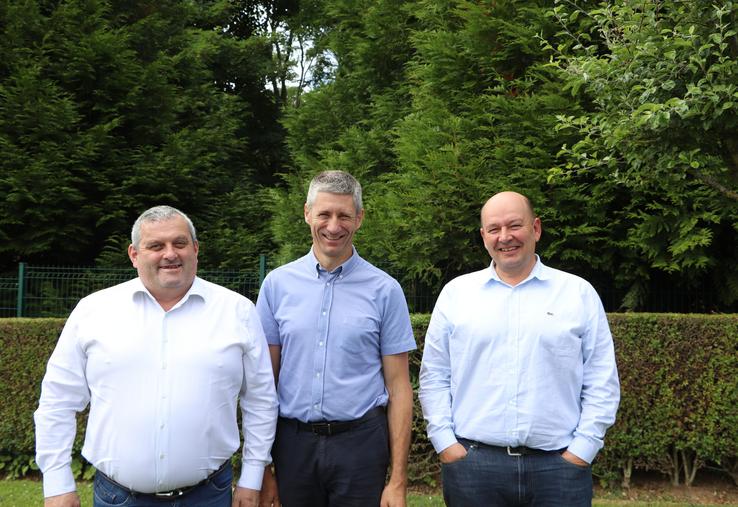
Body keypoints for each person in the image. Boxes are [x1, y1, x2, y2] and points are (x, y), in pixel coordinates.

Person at [34, 205, 278, 507]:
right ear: (134, 254)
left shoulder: (237, 312)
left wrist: (252, 476)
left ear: (196, 249)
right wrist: (57, 482)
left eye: (179, 243)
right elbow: (57, 401)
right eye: (156, 246)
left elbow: (260, 400)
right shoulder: (93, 312)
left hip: (209, 496)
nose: (170, 254)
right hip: (119, 498)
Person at [419, 191, 620, 507]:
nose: (505, 237)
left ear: (536, 229)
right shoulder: (456, 295)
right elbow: (434, 377)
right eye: (494, 229)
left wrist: (584, 448)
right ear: (484, 236)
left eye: (514, 225)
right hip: (474, 469)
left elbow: (601, 379)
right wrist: (445, 443)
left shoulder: (577, 294)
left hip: (559, 469)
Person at [256, 170, 416, 507]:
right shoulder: (276, 286)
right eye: (324, 214)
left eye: (344, 215)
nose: (333, 226)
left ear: (359, 219)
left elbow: (400, 387)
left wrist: (398, 480)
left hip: (361, 445)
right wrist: (261, 468)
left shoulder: (385, 290)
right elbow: (263, 385)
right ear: (307, 214)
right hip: (293, 445)